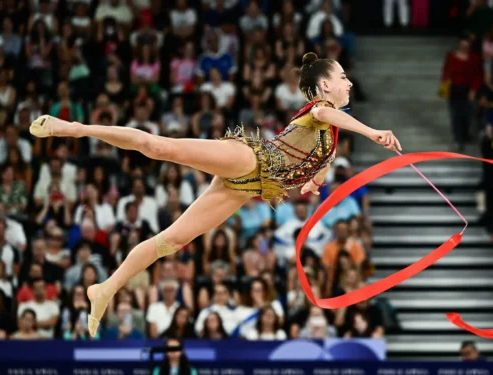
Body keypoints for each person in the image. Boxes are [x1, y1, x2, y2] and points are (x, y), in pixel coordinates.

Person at [29, 52, 402, 337]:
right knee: (162, 148)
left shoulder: (330, 139)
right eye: (343, 77)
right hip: (248, 160)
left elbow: (318, 165)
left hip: (248, 188)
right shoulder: (320, 110)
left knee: (170, 242)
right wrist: (372, 132)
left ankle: (104, 289)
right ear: (324, 87)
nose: (349, 83)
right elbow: (331, 118)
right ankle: (75, 127)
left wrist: (312, 182)